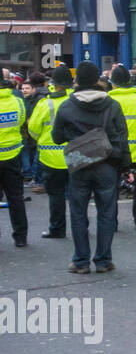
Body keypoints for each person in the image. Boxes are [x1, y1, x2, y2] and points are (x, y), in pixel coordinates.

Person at [52, 62, 129, 274]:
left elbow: (56, 137)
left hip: (79, 164)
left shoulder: (66, 106)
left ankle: (81, 261)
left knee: (78, 213)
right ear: (97, 80)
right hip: (107, 164)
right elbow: (122, 137)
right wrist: (126, 166)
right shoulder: (112, 105)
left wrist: (76, 137)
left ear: (77, 81)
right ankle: (103, 260)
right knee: (106, 212)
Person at [26, 65, 74, 237]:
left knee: (56, 195)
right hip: (77, 155)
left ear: (52, 83)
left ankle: (57, 229)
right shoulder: (78, 101)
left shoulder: (44, 103)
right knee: (78, 195)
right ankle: (81, 227)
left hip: (50, 158)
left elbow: (33, 129)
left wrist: (42, 140)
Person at [108, 64, 136, 231]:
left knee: (112, 189)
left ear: (113, 83)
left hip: (115, 152)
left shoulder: (110, 100)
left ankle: (112, 223)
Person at [0, 77, 28, 247]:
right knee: (16, 197)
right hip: (13, 155)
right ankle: (21, 237)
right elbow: (21, 122)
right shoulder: (18, 102)